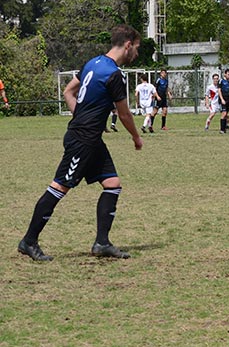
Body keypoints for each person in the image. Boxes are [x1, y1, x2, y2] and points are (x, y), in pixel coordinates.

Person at [17, 24, 143, 261]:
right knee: (59, 187)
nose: (135, 53)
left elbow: (68, 92)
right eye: (135, 48)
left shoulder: (92, 63)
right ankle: (29, 241)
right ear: (127, 45)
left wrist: (82, 116)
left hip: (90, 138)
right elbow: (124, 114)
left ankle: (102, 243)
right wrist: (136, 137)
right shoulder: (114, 74)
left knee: (112, 183)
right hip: (82, 140)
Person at [218, 68, 229, 133]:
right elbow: (219, 90)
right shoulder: (221, 81)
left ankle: (225, 128)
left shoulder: (228, 82)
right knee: (223, 113)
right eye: (228, 74)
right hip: (223, 99)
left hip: (227, 99)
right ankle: (222, 129)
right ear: (225, 74)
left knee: (227, 114)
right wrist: (222, 99)